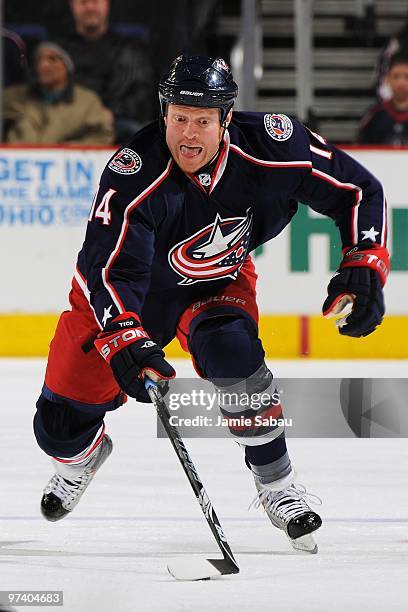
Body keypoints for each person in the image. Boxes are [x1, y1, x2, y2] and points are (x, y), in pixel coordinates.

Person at [34, 55, 389, 554]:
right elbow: (107, 267)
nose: (189, 134)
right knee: (56, 429)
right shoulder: (134, 170)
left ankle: (277, 485)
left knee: (237, 358)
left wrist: (365, 262)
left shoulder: (275, 144)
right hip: (125, 298)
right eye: (179, 117)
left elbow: (359, 191)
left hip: (215, 282)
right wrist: (124, 335)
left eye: (203, 120)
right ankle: (81, 458)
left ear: (226, 119)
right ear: (164, 115)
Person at [56, 0, 154, 143]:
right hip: (64, 122)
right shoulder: (57, 53)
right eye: (83, 2)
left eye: (95, 1)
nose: (89, 7)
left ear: (107, 4)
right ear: (72, 6)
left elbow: (143, 94)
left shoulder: (129, 51)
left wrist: (112, 112)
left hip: (117, 124)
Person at [3, 41, 113, 144]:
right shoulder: (15, 96)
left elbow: (102, 136)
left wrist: (69, 150)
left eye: (52, 59)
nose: (43, 65)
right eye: (39, 60)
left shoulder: (87, 101)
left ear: (67, 66)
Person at [358, 52, 408, 145]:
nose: (401, 83)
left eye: (406, 77)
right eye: (396, 76)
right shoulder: (375, 115)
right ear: (387, 79)